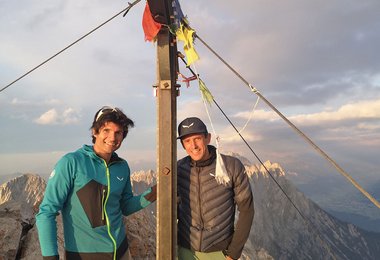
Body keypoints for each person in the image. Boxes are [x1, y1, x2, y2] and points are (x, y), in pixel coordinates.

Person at [36, 106, 157, 260]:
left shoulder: (122, 166)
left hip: (121, 251)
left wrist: (154, 193)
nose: (112, 138)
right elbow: (46, 212)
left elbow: (125, 206)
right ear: (95, 131)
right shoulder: (71, 162)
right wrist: (50, 257)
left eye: (118, 132)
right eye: (106, 130)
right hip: (84, 255)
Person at [176, 117, 254, 260]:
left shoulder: (231, 166)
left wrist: (233, 254)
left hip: (219, 252)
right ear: (183, 145)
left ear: (208, 138)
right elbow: (171, 208)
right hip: (185, 250)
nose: (193, 145)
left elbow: (247, 210)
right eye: (187, 141)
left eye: (197, 138)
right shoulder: (178, 169)